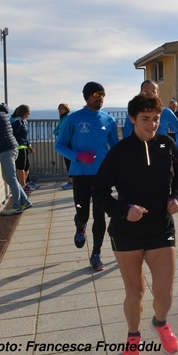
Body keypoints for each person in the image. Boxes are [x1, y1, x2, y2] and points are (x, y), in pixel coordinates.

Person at [92, 94, 178, 355]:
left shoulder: (166, 145)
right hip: (127, 231)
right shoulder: (119, 152)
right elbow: (99, 193)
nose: (152, 124)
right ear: (132, 119)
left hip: (161, 227)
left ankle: (160, 322)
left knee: (165, 293)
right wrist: (124, 210)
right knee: (135, 294)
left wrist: (175, 197)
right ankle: (133, 336)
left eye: (155, 119)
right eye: (145, 119)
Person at [55, 82, 120, 272]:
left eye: (102, 94)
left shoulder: (108, 119)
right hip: (81, 175)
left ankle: (96, 254)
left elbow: (115, 149)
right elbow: (59, 145)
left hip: (102, 177)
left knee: (100, 217)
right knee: (84, 213)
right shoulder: (74, 119)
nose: (99, 97)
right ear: (86, 96)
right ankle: (80, 225)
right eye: (95, 94)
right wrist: (78, 156)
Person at [122, 80, 178, 154]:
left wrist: (177, 153)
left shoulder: (166, 112)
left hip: (162, 157)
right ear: (140, 93)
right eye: (146, 91)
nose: (149, 95)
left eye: (153, 92)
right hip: (139, 157)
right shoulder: (134, 114)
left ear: (158, 94)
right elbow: (126, 138)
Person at [10, 105, 38, 192]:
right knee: (21, 166)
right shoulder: (17, 122)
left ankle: (24, 184)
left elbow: (24, 136)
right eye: (28, 111)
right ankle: (22, 185)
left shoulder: (23, 122)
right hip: (19, 147)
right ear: (24, 112)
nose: (29, 113)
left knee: (27, 166)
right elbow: (11, 133)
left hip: (24, 146)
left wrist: (29, 145)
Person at [53, 103, 73, 190]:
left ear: (66, 109)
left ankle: (72, 182)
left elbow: (67, 130)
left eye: (61, 108)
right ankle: (71, 181)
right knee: (67, 162)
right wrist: (58, 133)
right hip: (64, 143)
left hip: (69, 143)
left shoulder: (67, 118)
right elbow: (56, 130)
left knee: (70, 162)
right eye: (59, 108)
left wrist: (60, 133)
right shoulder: (61, 119)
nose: (59, 110)